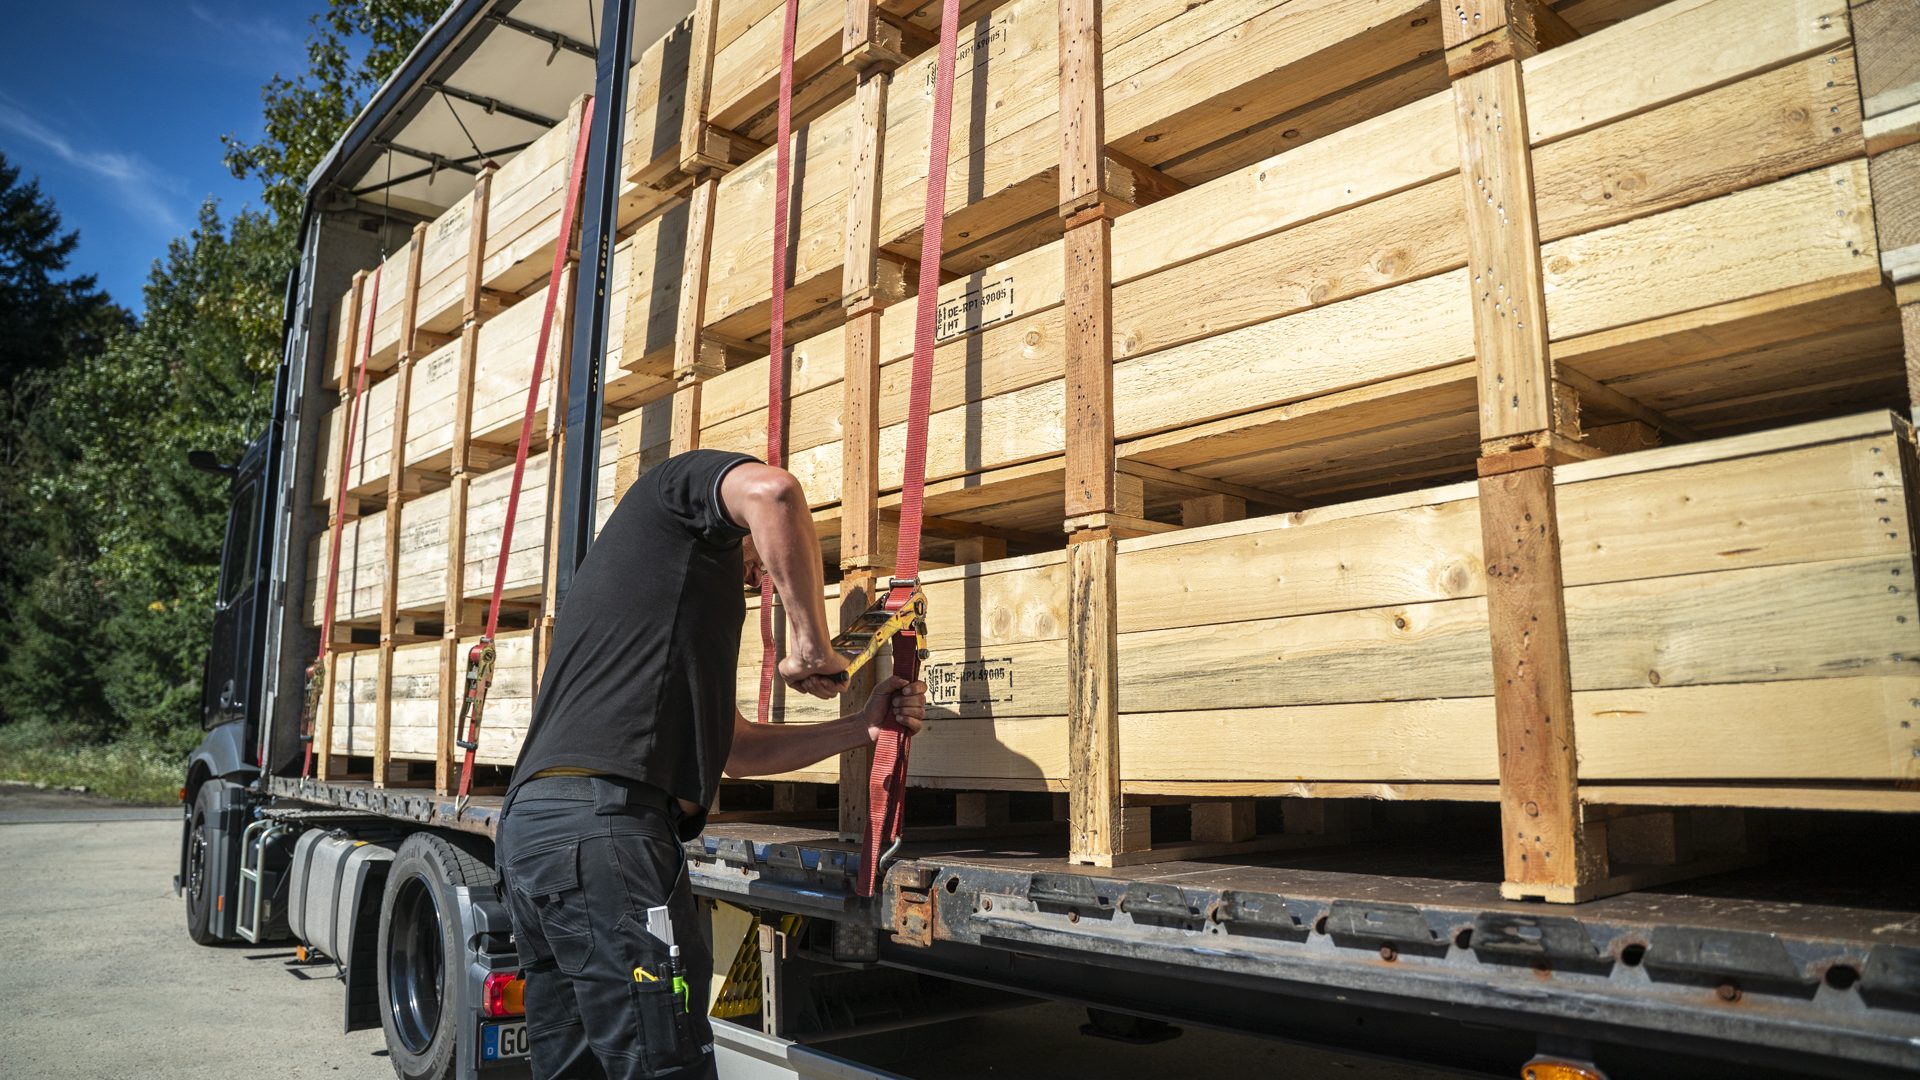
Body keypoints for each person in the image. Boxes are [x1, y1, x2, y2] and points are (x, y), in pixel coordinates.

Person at [494, 449, 926, 1079]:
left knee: (577, 1069)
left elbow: (739, 753)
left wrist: (861, 727)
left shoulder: (666, 608)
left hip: (539, 837)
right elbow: (776, 493)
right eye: (770, 564)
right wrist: (811, 641)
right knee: (663, 1063)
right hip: (603, 837)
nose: (764, 581)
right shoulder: (670, 494)